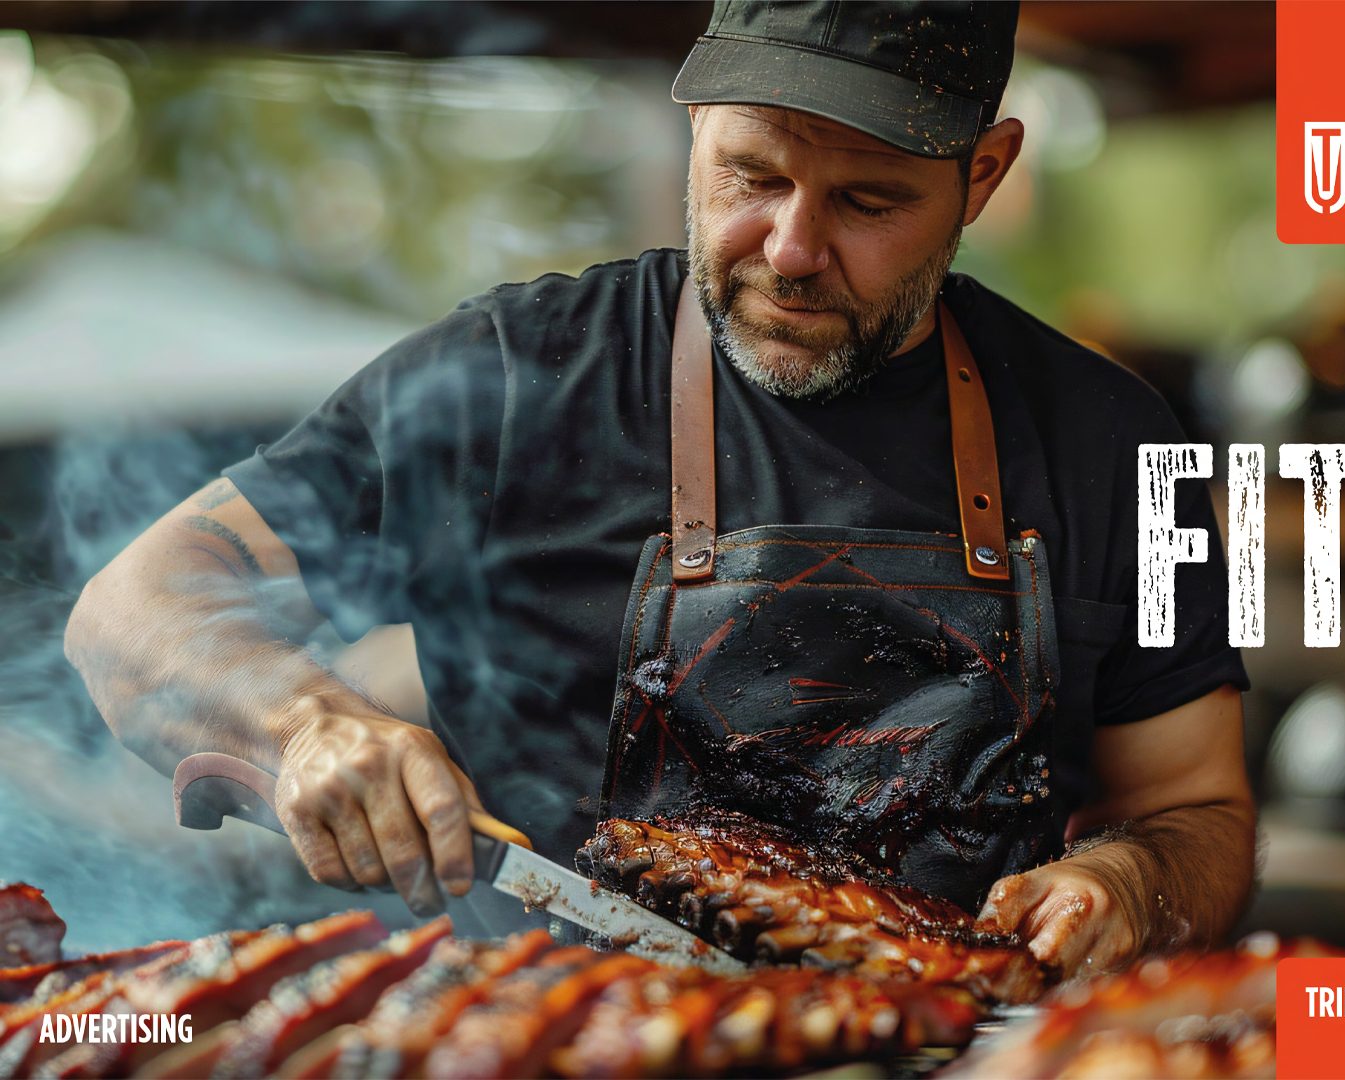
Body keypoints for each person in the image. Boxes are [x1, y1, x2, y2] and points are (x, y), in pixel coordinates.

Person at [65, 0, 1253, 974]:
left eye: (868, 202)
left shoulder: (1125, 446)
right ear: (693, 125)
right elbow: (131, 612)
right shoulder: (513, 378)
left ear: (983, 176)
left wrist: (1134, 880)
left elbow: (1205, 814)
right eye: (750, 175)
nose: (789, 248)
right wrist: (306, 724)